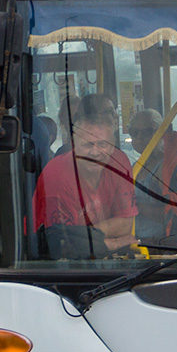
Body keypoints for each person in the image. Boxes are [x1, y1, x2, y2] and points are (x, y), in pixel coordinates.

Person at [32, 103, 137, 252]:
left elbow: (126, 224)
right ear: (74, 144)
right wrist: (108, 243)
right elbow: (64, 245)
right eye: (88, 145)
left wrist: (85, 237)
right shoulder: (56, 177)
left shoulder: (120, 162)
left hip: (98, 256)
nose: (95, 152)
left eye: (102, 144)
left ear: (113, 144)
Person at [127, 109, 168, 238]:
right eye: (134, 132)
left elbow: (173, 215)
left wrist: (136, 206)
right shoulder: (137, 166)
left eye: (147, 132)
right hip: (136, 241)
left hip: (159, 243)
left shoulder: (164, 167)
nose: (140, 136)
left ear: (161, 133)